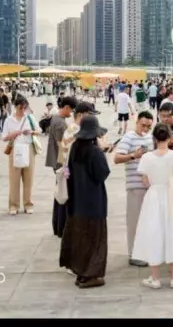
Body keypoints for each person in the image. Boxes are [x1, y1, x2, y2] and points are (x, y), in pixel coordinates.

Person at [132, 123, 173, 289]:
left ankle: (155, 278)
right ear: (170, 137)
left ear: (154, 138)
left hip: (153, 197)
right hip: (171, 196)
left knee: (153, 232)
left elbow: (145, 181)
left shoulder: (146, 157)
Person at [60, 115, 110, 289]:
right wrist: (102, 152)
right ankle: (91, 275)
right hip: (93, 202)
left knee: (80, 238)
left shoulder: (75, 147)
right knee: (95, 240)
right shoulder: (95, 151)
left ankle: (81, 272)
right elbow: (102, 174)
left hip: (77, 200)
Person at [114, 111, 155, 266]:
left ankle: (145, 250)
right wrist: (133, 156)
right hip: (135, 186)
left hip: (149, 186)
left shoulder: (150, 138)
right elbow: (117, 158)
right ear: (136, 122)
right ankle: (133, 253)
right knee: (134, 221)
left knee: (147, 221)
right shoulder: (129, 137)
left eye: (149, 126)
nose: (145, 129)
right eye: (143, 125)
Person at [53, 102, 95, 239]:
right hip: (72, 170)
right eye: (90, 115)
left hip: (68, 168)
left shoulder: (72, 128)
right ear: (81, 115)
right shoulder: (76, 131)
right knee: (71, 201)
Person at [2, 96, 42, 215]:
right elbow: (4, 137)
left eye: (25, 108)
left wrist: (31, 132)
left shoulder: (30, 117)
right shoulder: (9, 120)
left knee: (28, 178)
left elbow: (39, 131)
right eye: (20, 108)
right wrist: (16, 133)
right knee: (14, 178)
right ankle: (13, 205)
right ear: (16, 107)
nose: (23, 110)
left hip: (28, 148)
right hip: (15, 149)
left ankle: (28, 204)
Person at [47, 96, 78, 170]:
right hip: (60, 160)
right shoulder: (60, 122)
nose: (71, 113)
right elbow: (61, 143)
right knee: (62, 177)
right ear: (66, 107)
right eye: (71, 110)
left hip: (56, 157)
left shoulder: (56, 116)